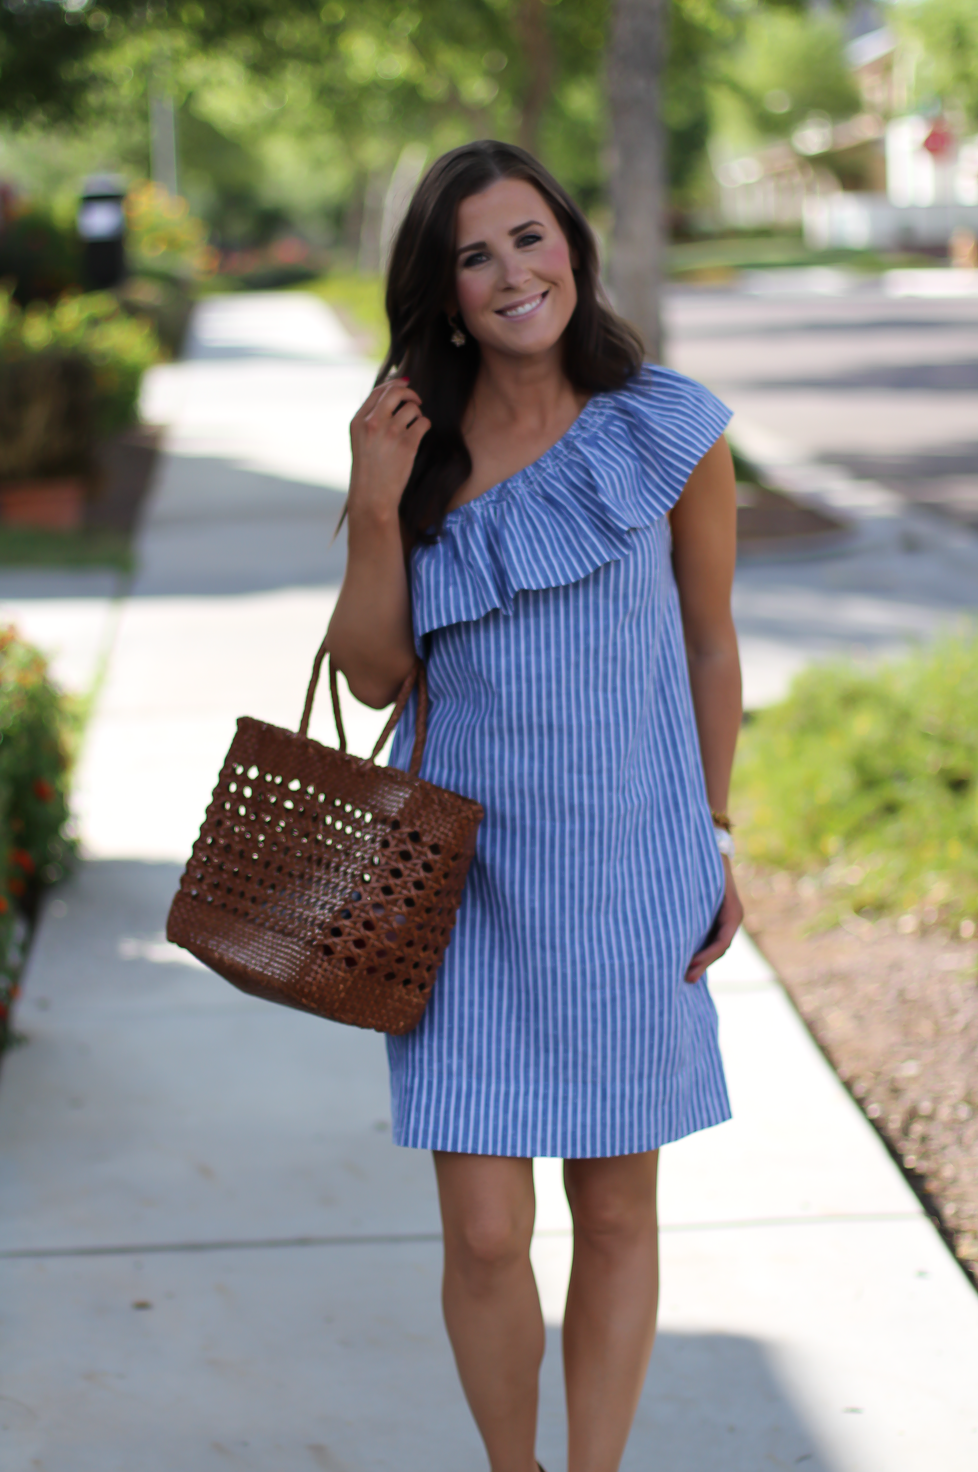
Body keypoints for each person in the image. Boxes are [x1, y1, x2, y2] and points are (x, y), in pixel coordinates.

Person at [326, 140, 743, 1472]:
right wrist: (375, 508)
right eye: (473, 255)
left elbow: (710, 644)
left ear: (572, 245)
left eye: (529, 237)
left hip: (628, 869)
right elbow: (374, 671)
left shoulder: (669, 427)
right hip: (463, 892)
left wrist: (716, 836)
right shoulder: (415, 448)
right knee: (488, 1235)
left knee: (615, 1219)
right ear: (443, 294)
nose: (512, 272)